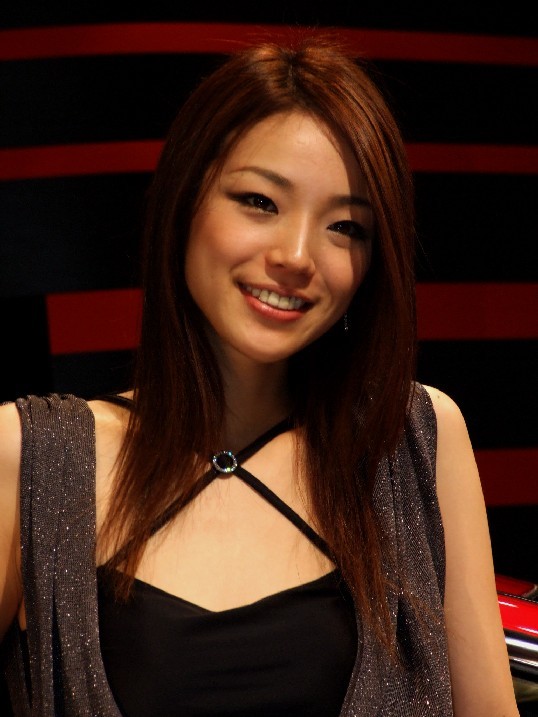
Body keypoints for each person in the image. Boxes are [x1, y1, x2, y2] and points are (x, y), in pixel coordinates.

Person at [0, 36, 519, 716]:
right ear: (186, 199)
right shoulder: (33, 457)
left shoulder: (411, 440)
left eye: (346, 227)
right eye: (260, 201)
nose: (297, 256)